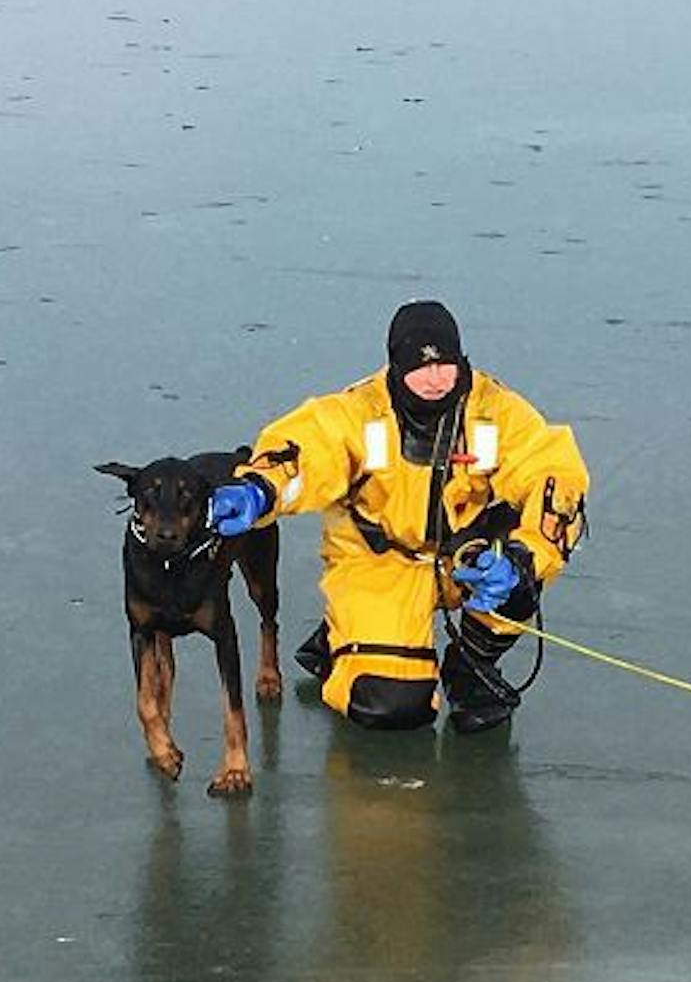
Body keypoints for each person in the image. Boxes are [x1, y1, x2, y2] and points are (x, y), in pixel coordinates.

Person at [207, 300, 589, 733]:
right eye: (419, 366)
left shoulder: (498, 411)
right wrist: (261, 490)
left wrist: (521, 559)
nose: (433, 379)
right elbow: (309, 450)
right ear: (394, 367)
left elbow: (553, 474)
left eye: (444, 364)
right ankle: (343, 637)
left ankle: (472, 667)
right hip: (379, 564)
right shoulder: (358, 412)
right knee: (389, 706)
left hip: (469, 562)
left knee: (526, 568)